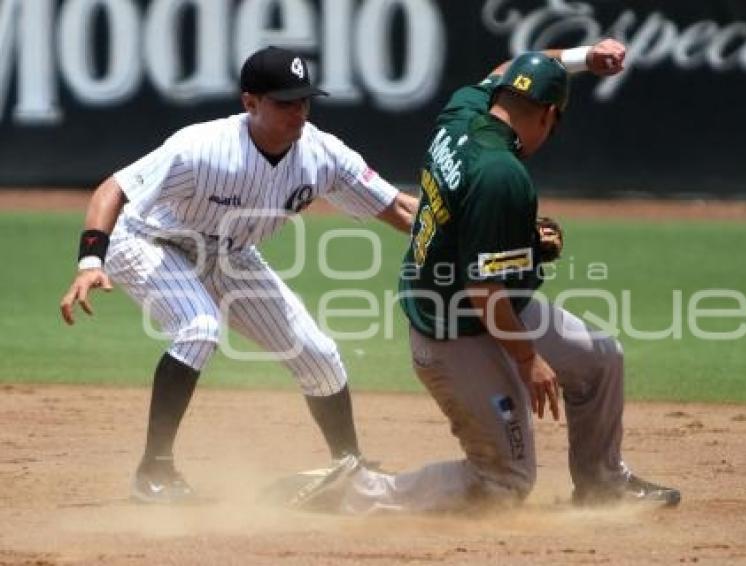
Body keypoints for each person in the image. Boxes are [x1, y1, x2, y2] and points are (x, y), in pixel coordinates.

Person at [288, 39, 680, 513]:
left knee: (599, 360)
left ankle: (602, 483)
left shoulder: (464, 109)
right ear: (548, 116)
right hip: (454, 331)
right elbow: (485, 292)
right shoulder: (502, 175)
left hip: (469, 302)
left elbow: (507, 67)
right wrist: (527, 358)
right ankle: (355, 493)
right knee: (504, 482)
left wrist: (584, 58)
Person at [58, 46, 418, 504]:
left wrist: (473, 232)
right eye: (284, 102)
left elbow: (399, 207)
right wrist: (91, 261)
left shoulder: (322, 154)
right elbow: (112, 190)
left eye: (304, 100)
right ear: (250, 102)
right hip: (149, 240)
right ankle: (154, 472)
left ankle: (351, 469)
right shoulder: (200, 148)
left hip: (229, 253)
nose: (298, 112)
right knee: (199, 328)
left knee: (318, 354)